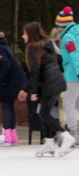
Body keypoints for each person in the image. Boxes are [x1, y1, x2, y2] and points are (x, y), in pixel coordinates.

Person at [23, 22, 72, 156]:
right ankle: (49, 143)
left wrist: (32, 92)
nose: (23, 36)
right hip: (54, 82)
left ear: (31, 34)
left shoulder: (34, 47)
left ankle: (66, 136)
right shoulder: (45, 46)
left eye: (25, 33)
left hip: (50, 84)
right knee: (43, 112)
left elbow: (35, 72)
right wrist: (26, 89)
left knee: (44, 113)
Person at [56, 7, 78, 143]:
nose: (57, 29)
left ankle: (74, 134)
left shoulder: (68, 38)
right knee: (77, 105)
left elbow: (75, 55)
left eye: (58, 25)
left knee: (69, 105)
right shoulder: (76, 33)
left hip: (73, 75)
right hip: (75, 72)